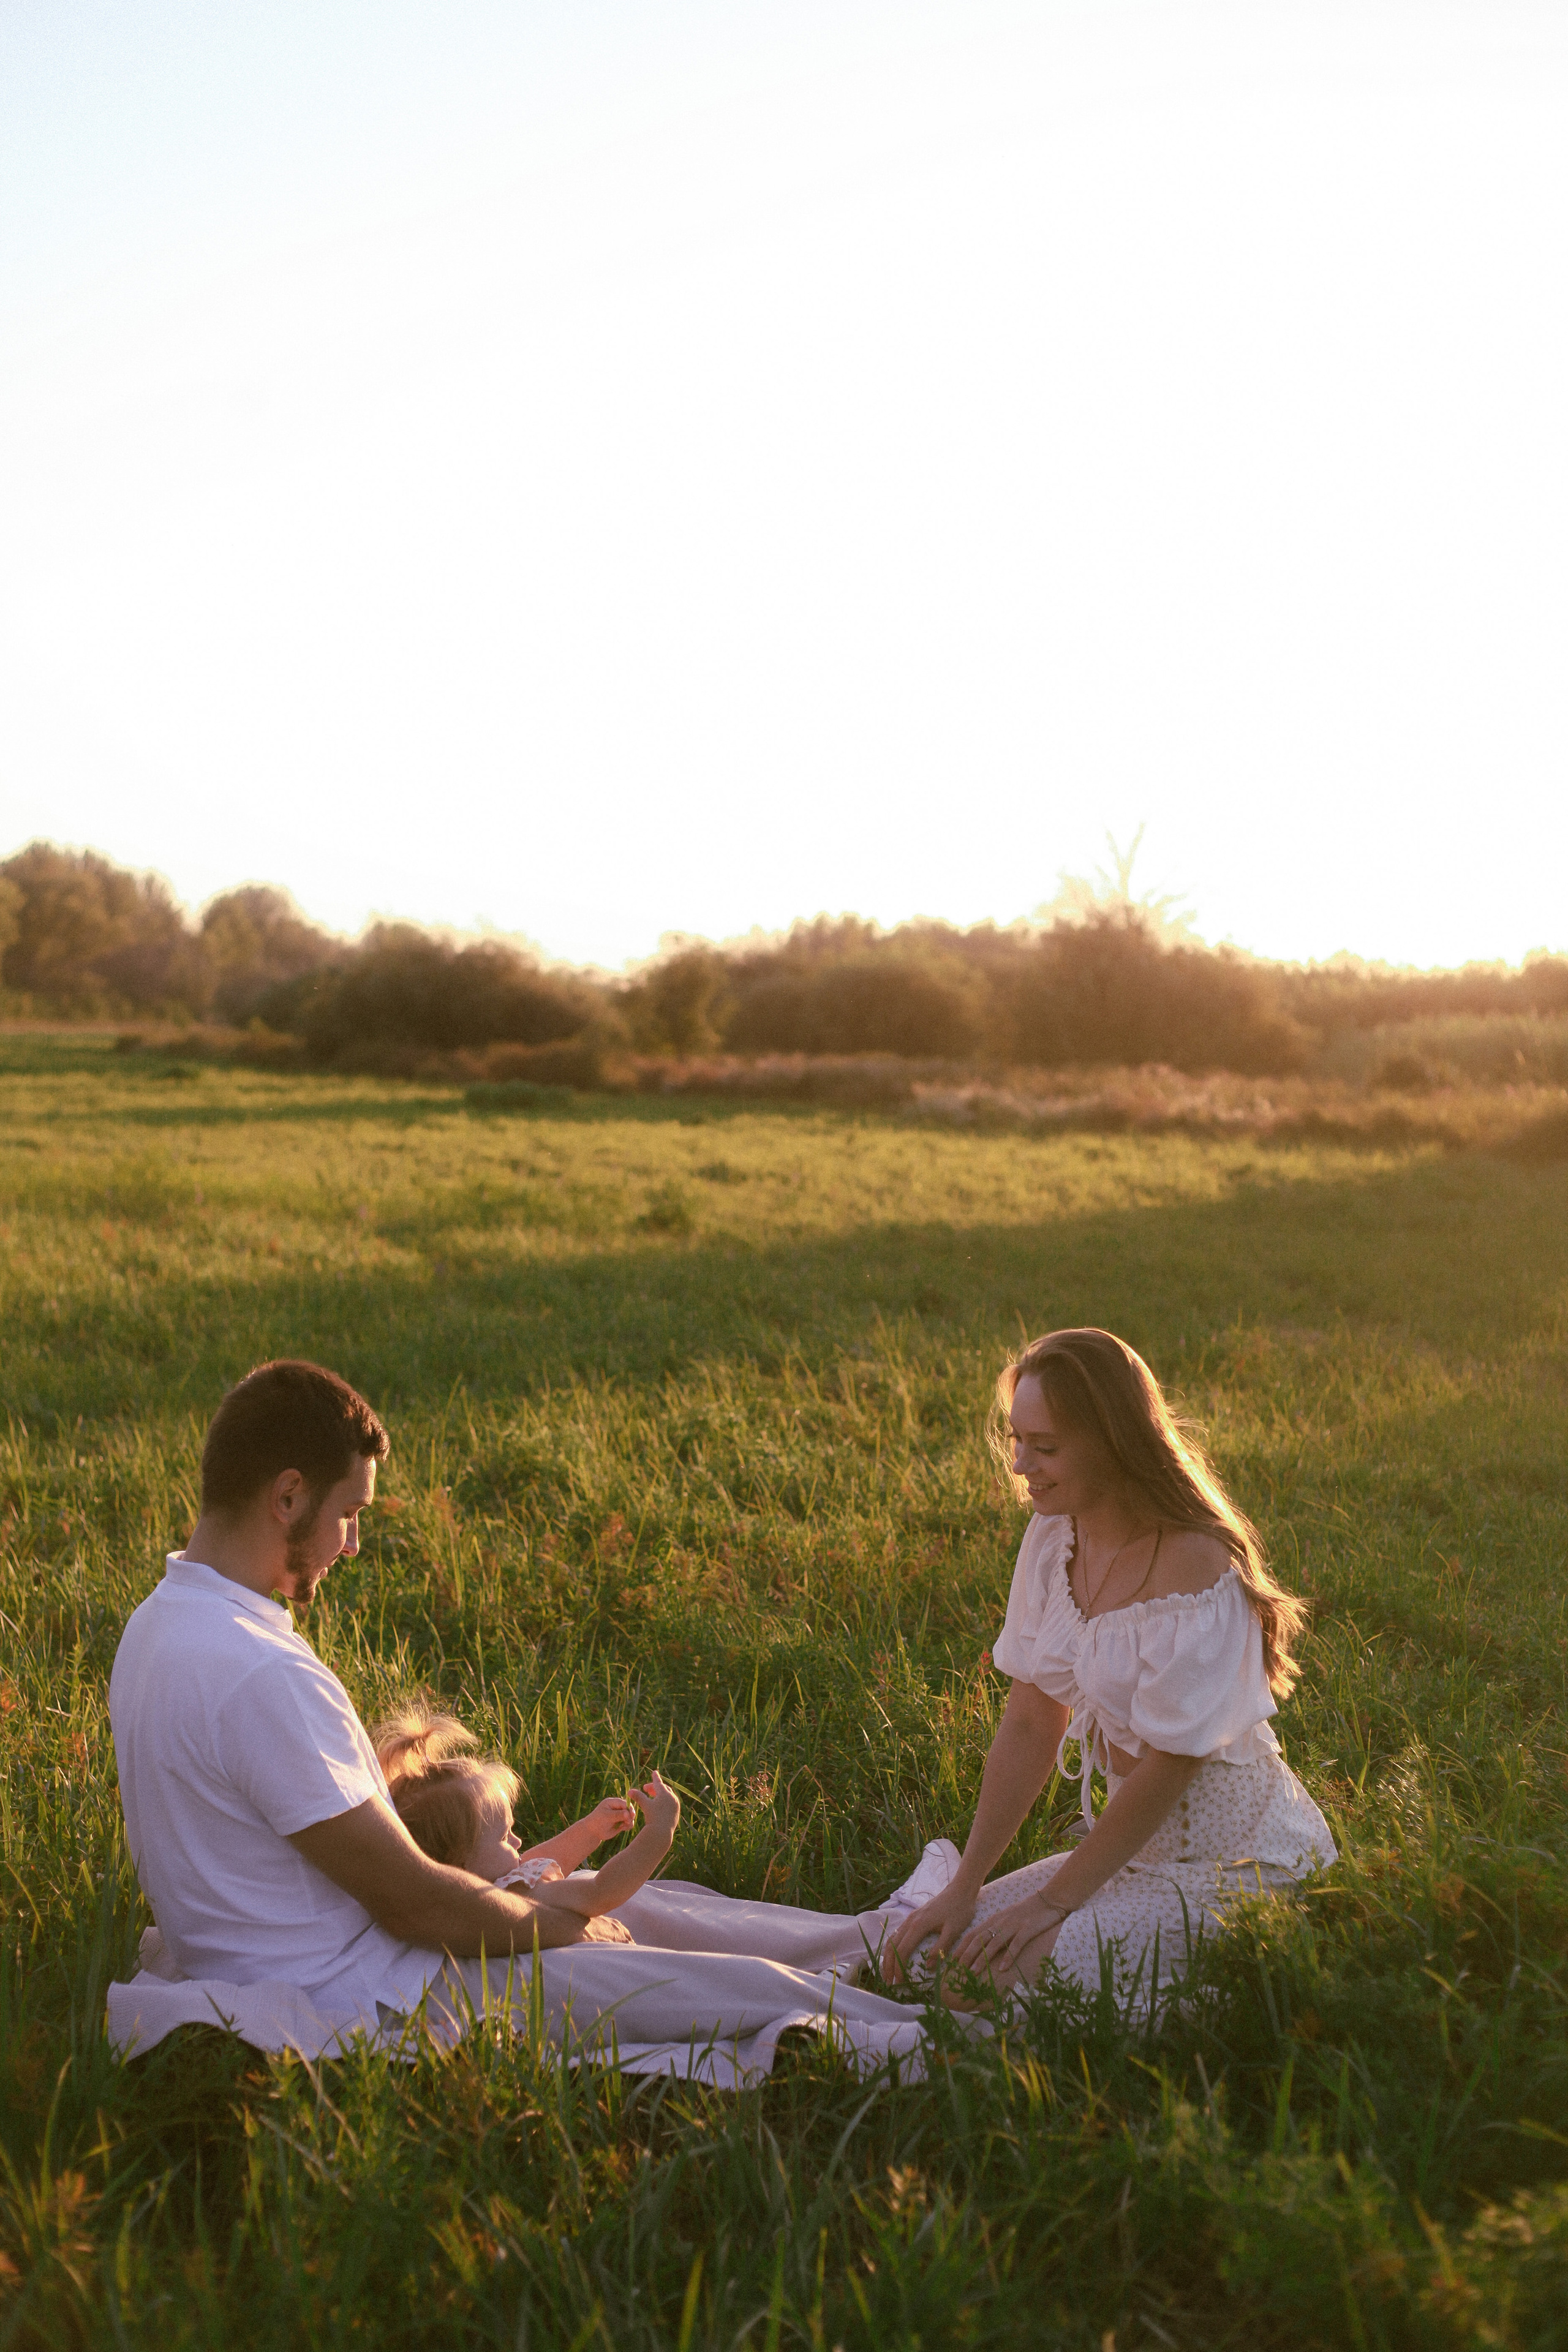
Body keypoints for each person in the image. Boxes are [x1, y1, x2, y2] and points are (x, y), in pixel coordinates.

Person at [107, 1359, 951, 2081]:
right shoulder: (259, 1672)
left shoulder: (160, 1625)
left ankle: (881, 1941)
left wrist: (545, 1903)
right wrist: (550, 1924)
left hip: (352, 1953)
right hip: (385, 1987)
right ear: (288, 1496)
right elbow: (415, 1905)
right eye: (349, 1514)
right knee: (730, 1990)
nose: (352, 1543)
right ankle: (963, 2038)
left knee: (661, 1907)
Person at [884, 1327, 1336, 2007]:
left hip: (1236, 1865)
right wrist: (965, 1886)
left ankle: (1241, 1990)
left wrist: (1050, 1904)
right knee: (928, 1962)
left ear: (1112, 1441)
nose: (1019, 1464)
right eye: (1016, 1439)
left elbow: (1170, 1765)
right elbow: (1031, 1721)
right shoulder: (1054, 1535)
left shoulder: (1195, 1563)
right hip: (1131, 1854)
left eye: (1045, 1447)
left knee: (975, 1989)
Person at [375, 1706, 681, 1919]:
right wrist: (659, 1832)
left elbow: (536, 1863)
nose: (518, 1842)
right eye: (504, 1837)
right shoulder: (509, 1901)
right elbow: (602, 1892)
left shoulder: (492, 1882)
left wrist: (590, 1830)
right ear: (459, 1863)